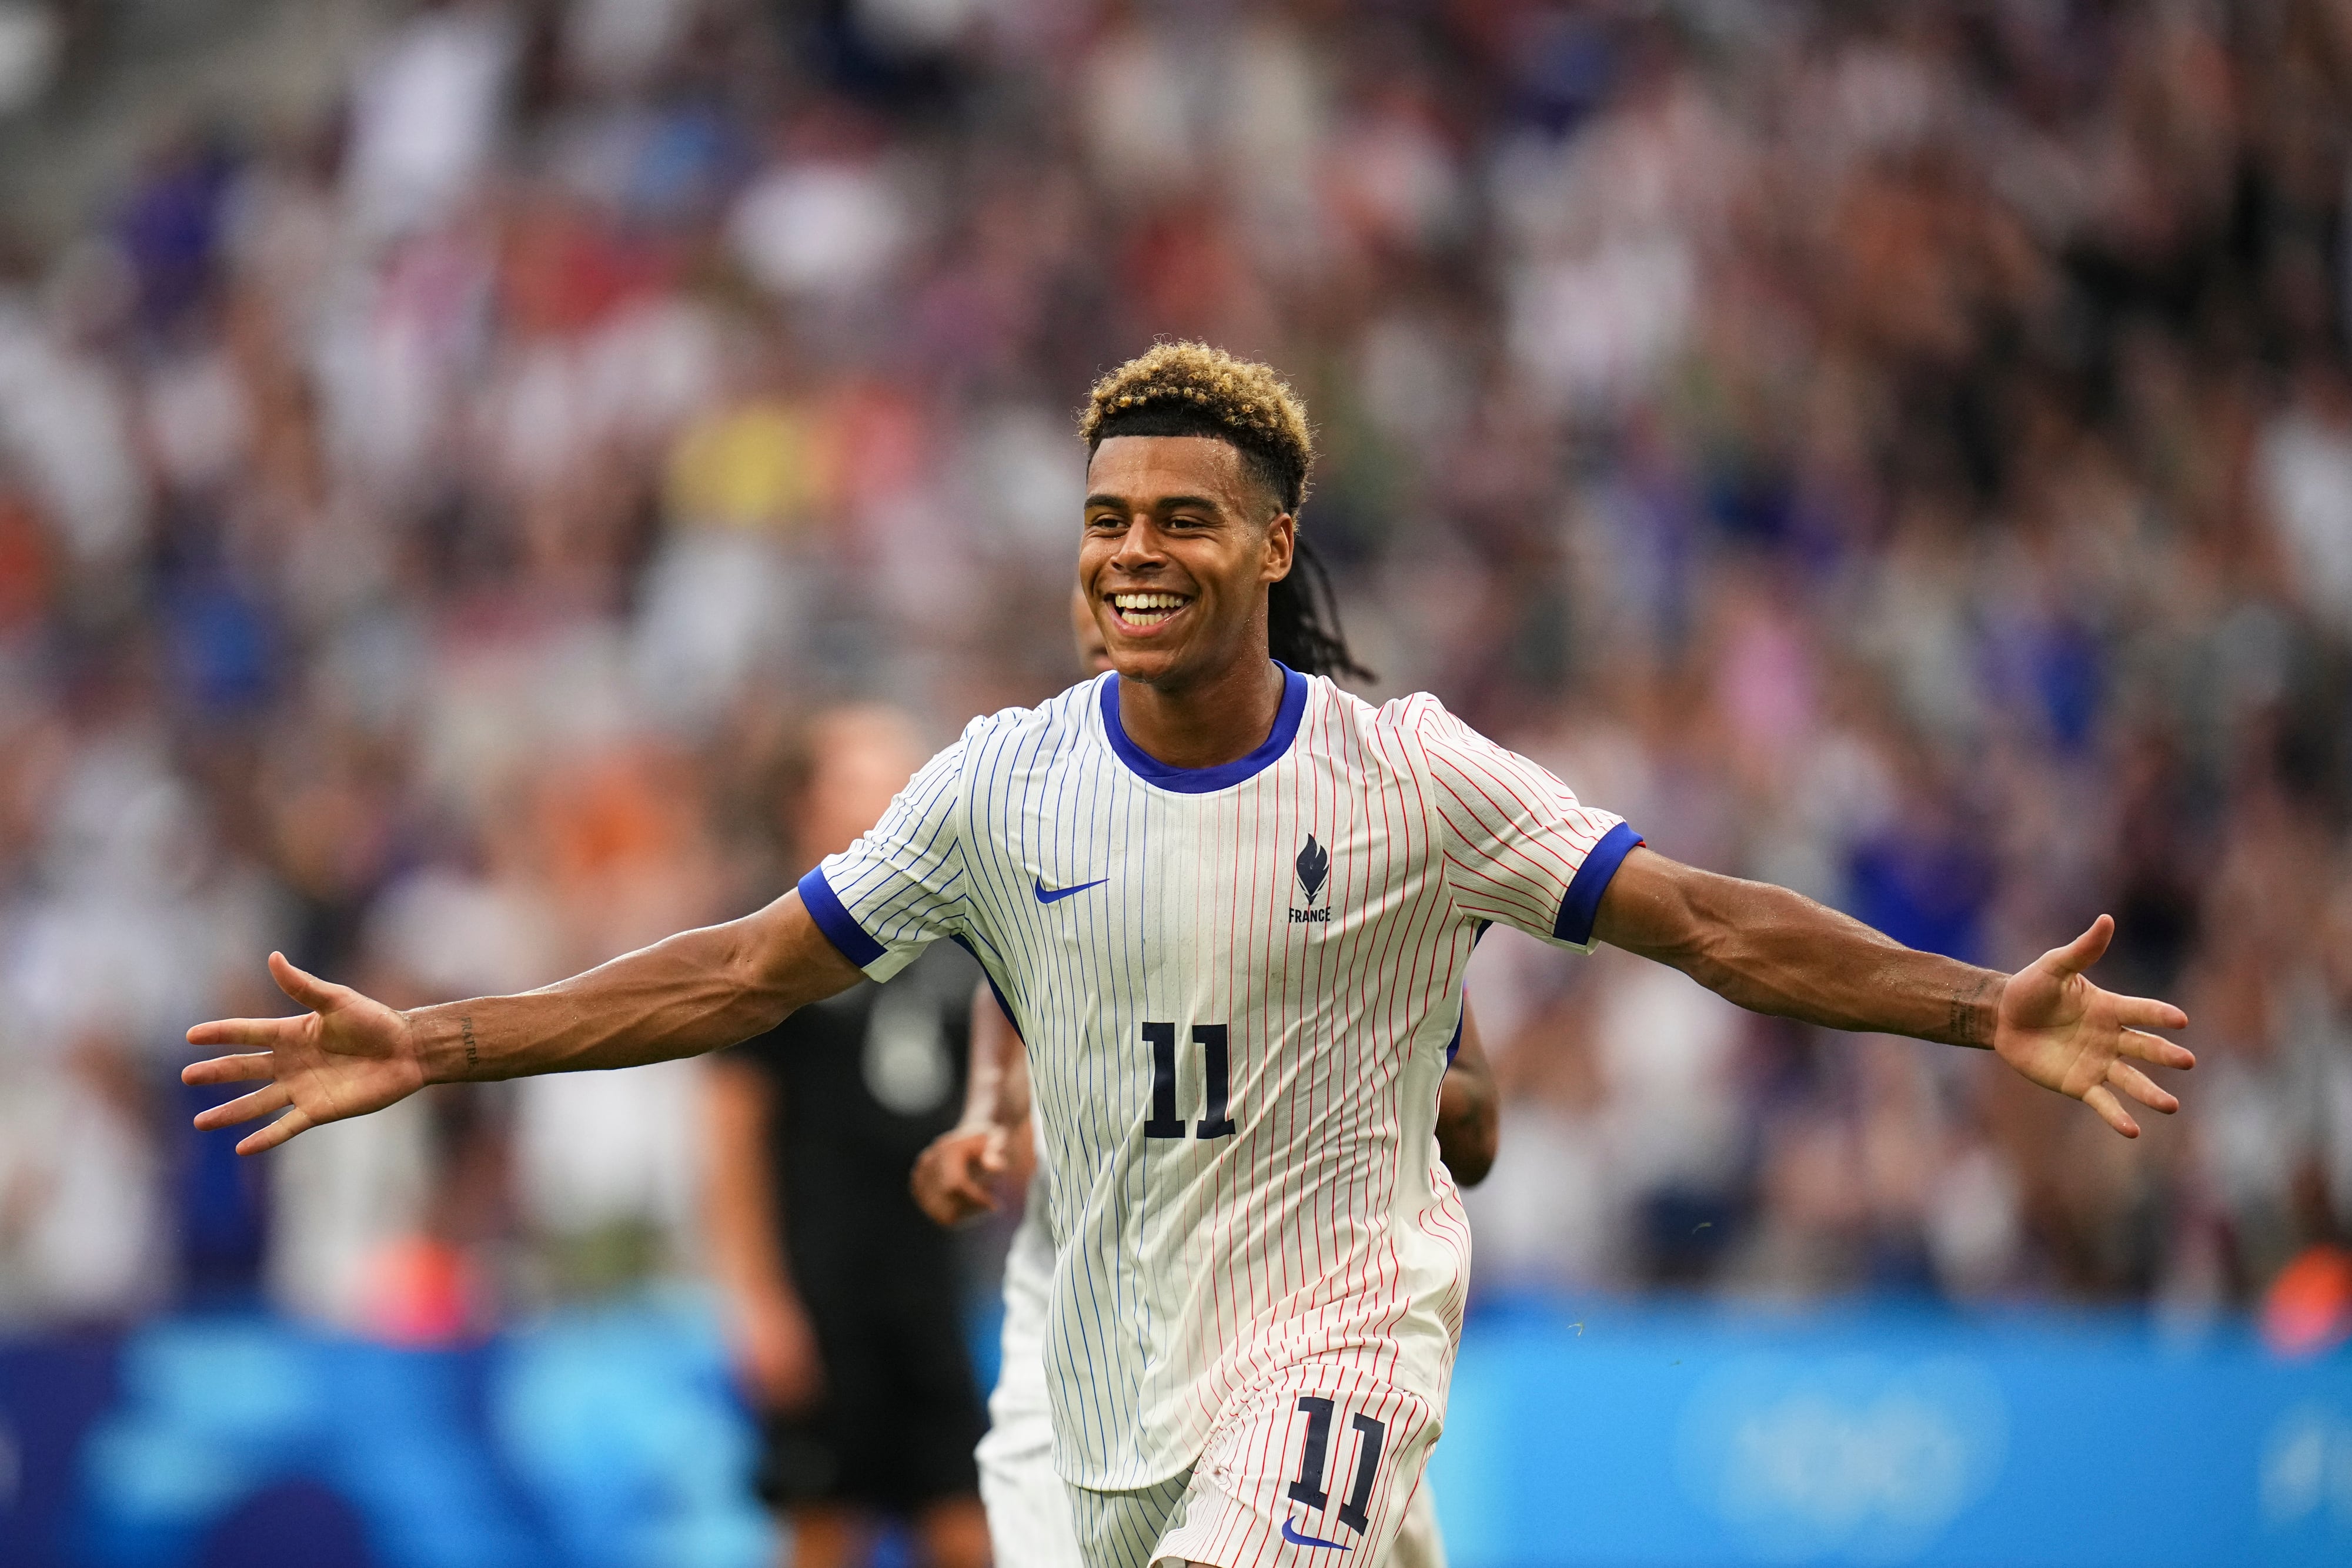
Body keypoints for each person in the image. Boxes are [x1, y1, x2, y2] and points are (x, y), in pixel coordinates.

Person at [186, 342, 2193, 1568]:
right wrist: (437, 1040)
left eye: (1179, 516)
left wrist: (1967, 998)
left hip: (1328, 1331)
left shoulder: (1410, 777)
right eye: (1101, 514)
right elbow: (737, 972)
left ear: (1274, 540)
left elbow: (1705, 918)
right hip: (1093, 1374)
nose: (1129, 548)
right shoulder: (1000, 786)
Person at [907, 587, 1499, 1568]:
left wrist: (1343, 1077)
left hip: (1300, 1331)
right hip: (1086, 1352)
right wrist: (982, 1126)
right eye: (1099, 649)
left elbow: (1473, 1126)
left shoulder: (1344, 853)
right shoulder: (1040, 827)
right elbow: (1010, 1013)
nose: (1116, 675)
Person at [703, 705, 992, 1568]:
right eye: (864, 776)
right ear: (804, 800)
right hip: (822, 1287)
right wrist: (756, 1299)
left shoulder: (956, 931)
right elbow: (730, 1138)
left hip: (930, 1285)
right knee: (826, 1532)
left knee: (967, 1528)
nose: (893, 793)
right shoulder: (767, 938)